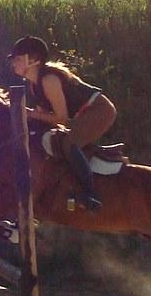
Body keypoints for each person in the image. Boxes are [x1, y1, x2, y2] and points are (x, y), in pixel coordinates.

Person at [8, 35, 117, 211]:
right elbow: (47, 117)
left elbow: (61, 118)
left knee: (68, 142)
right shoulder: (33, 85)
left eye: (18, 59)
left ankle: (91, 195)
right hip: (82, 115)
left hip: (99, 111)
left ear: (33, 60)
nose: (13, 63)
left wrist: (31, 114)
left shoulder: (48, 80)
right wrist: (34, 116)